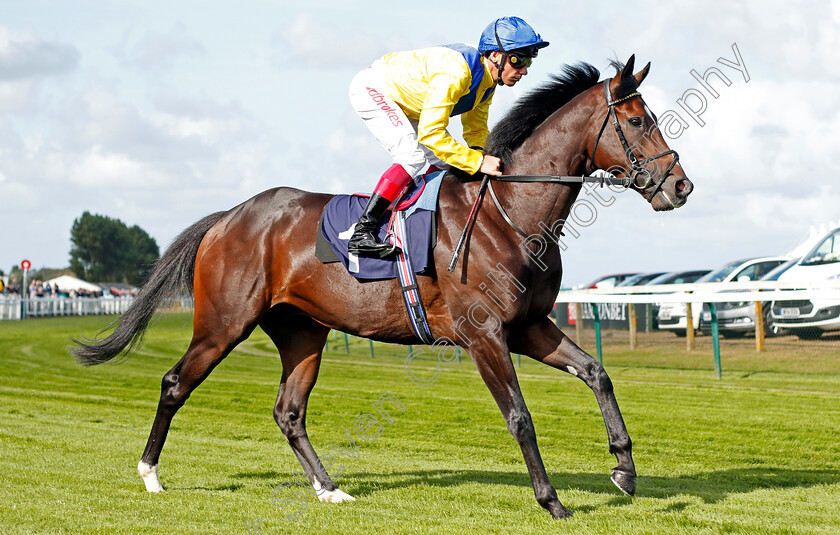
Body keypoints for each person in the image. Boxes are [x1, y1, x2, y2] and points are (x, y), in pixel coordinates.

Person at [347, 16, 549, 257]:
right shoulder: (457, 72)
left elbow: (475, 131)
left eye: (529, 61)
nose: (524, 70)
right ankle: (363, 231)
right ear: (496, 55)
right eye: (519, 60)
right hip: (374, 88)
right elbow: (432, 134)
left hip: (407, 105)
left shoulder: (487, 82)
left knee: (444, 164)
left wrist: (487, 157)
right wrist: (477, 162)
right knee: (410, 156)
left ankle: (412, 217)